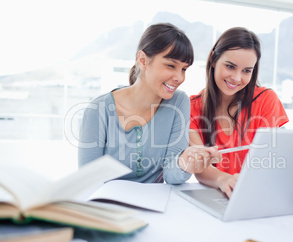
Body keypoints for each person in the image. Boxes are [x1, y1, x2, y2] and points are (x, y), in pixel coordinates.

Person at [78, 23, 220, 184]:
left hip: (154, 206)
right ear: (143, 60)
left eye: (184, 69)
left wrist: (184, 163)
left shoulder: (178, 102)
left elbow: (170, 175)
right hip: (107, 205)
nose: (179, 78)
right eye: (171, 66)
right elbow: (87, 181)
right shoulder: (98, 110)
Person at [189, 27, 288, 197]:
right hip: (219, 194)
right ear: (213, 59)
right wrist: (223, 180)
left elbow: (270, 159)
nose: (236, 78)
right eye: (230, 66)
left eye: (246, 71)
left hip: (256, 194)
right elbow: (200, 167)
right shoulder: (192, 107)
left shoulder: (266, 100)